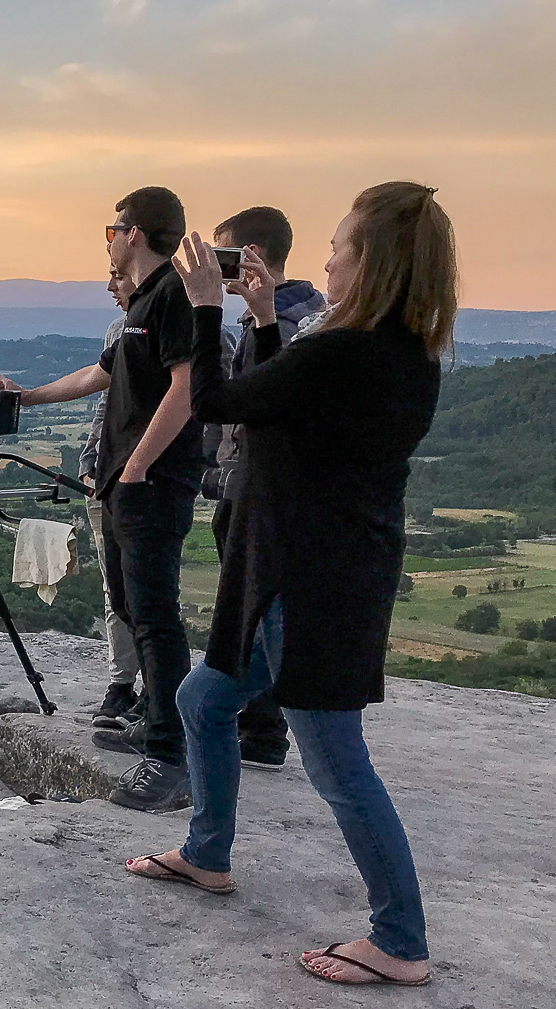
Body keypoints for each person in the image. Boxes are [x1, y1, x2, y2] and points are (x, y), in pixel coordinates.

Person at [127, 182, 455, 988]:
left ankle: (400, 940)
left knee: (337, 763)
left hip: (310, 583)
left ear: (370, 261)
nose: (328, 259)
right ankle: (207, 855)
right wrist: (267, 319)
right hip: (308, 568)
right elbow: (281, 407)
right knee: (205, 701)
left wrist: (207, 309)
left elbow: (219, 402)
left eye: (340, 246)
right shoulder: (395, 348)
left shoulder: (347, 349)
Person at [0, 187, 200, 811]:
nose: (109, 240)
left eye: (111, 229)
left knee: (157, 616)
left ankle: (172, 756)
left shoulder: (174, 297)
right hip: (122, 483)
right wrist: (24, 396)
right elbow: (100, 375)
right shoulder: (141, 303)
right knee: (137, 612)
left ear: (134, 233)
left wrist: (138, 464)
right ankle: (155, 724)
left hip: (149, 485)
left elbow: (187, 388)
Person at [199, 207, 328, 769]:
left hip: (264, 491)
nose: (220, 270)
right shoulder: (272, 316)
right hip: (249, 483)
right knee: (253, 617)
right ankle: (260, 728)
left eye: (225, 255)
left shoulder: (295, 321)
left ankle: (263, 731)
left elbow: (249, 405)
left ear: (253, 255)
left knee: (252, 616)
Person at [81, 267, 142, 731]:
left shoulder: (196, 329)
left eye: (117, 276)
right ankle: (122, 684)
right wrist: (89, 460)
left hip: (144, 482)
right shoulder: (117, 331)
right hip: (104, 476)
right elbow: (105, 403)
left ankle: (156, 695)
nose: (110, 288)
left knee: (147, 590)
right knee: (114, 587)